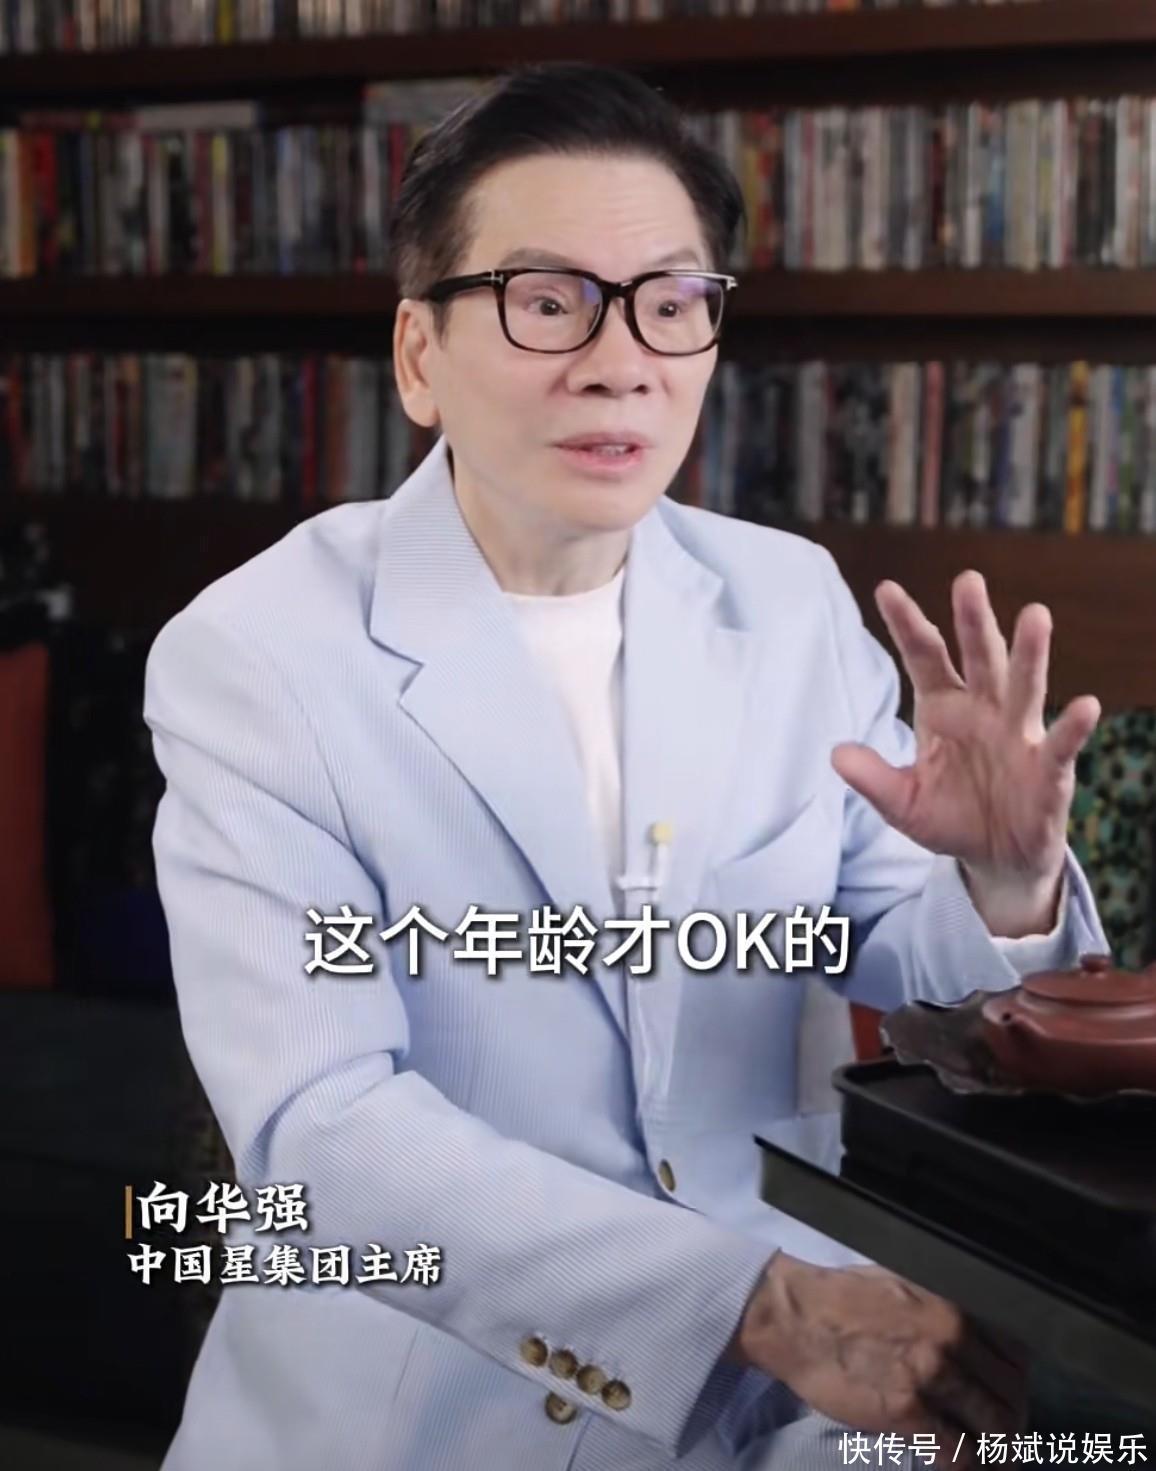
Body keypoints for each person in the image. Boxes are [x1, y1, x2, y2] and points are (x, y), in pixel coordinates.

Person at [143, 61, 1108, 1471]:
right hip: (421, 1410)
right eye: (546, 302)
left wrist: (1003, 886)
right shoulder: (259, 654)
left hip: (784, 1417)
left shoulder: (786, 603)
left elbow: (922, 985)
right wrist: (753, 1305)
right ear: (419, 356)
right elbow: (323, 1130)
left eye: (670, 302)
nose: (620, 361)